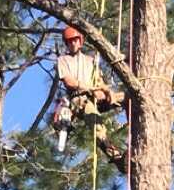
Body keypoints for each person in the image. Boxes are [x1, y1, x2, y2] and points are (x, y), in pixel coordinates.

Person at [49, 23, 127, 163]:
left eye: (75, 40)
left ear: (80, 41)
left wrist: (107, 92)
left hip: (96, 96)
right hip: (79, 99)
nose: (73, 43)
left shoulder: (90, 60)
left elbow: (99, 81)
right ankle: (116, 157)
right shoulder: (63, 60)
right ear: (67, 44)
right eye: (70, 41)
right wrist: (87, 88)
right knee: (97, 125)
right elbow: (69, 82)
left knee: (127, 97)